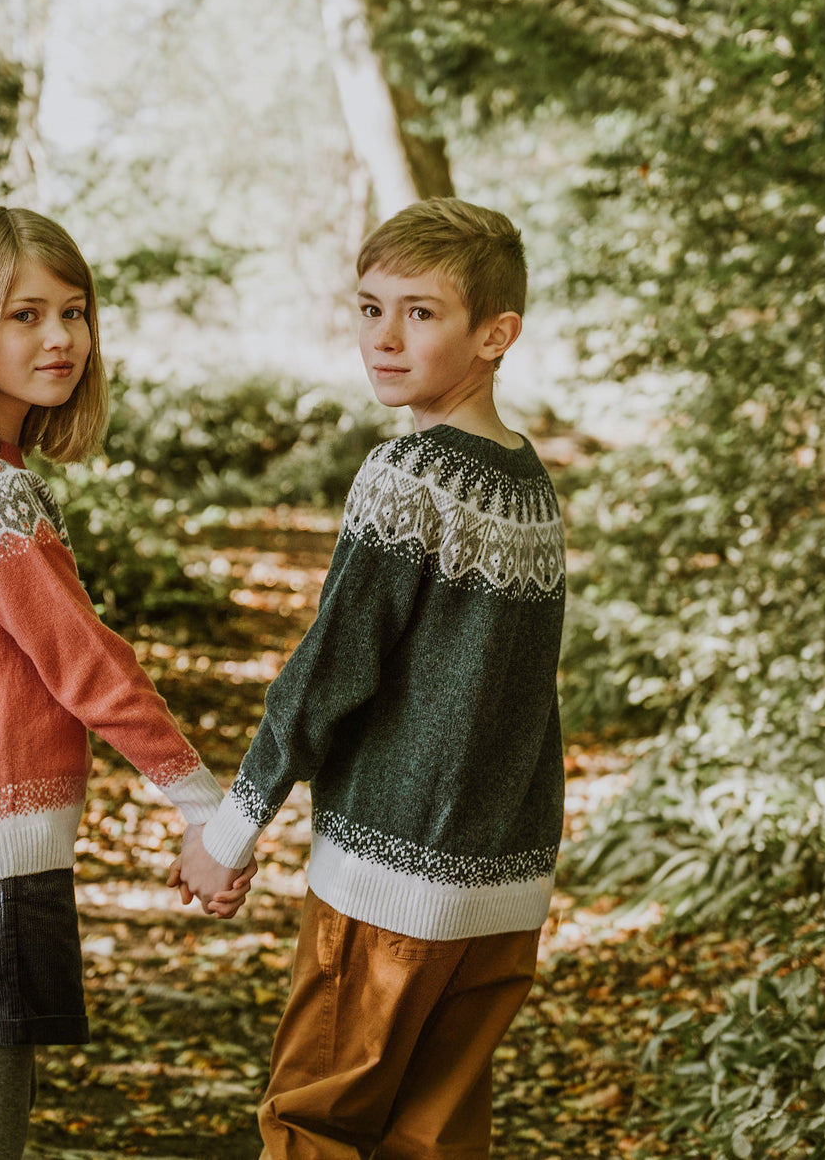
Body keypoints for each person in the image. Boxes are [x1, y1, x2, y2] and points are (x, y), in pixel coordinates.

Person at [173, 198, 566, 1159]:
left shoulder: (409, 474)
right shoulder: (529, 478)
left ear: (495, 334)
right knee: (432, 1140)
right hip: (504, 889)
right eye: (368, 307)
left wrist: (230, 828)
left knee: (314, 1126)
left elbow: (330, 672)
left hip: (396, 877)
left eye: (420, 313)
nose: (383, 337)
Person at [0, 205, 254, 1160]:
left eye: (74, 312)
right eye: (24, 315)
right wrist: (202, 802)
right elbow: (86, 662)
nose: (60, 338)